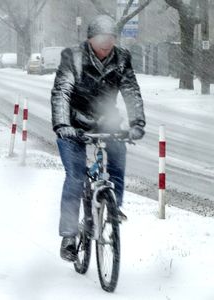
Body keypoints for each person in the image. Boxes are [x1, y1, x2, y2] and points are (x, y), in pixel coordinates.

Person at [51, 15, 146, 262]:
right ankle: (69, 235)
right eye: (102, 39)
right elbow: (62, 91)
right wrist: (62, 124)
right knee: (75, 176)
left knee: (118, 157)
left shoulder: (122, 58)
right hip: (73, 125)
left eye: (111, 38)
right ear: (90, 39)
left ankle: (114, 207)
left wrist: (137, 123)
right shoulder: (73, 57)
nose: (107, 44)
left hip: (106, 121)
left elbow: (131, 91)